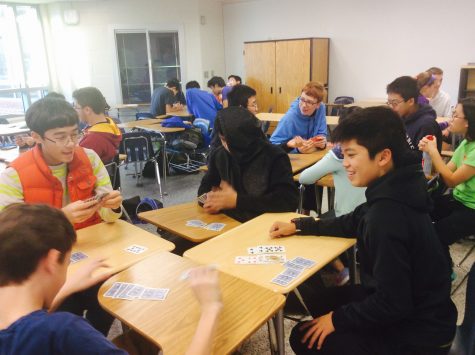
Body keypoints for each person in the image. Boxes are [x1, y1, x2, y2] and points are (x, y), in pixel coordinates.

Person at [269, 106, 457, 355]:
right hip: (423, 311)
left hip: (418, 335)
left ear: (383, 157)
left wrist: (336, 320)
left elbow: (393, 304)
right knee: (321, 302)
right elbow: (353, 221)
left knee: (303, 336)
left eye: (351, 154)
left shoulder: (388, 217)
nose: (345, 163)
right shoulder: (399, 186)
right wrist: (300, 225)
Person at [0, 204, 223, 355]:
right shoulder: (62, 331)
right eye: (66, 263)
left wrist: (66, 288)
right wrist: (210, 308)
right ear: (51, 260)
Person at [0, 97, 123, 230]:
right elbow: (10, 234)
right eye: (60, 137)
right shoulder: (14, 175)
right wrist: (60, 218)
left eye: (75, 134)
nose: (70, 143)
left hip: (90, 240)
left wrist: (114, 207)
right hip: (43, 248)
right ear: (36, 137)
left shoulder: (90, 158)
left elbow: (108, 217)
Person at [298, 107, 366, 286]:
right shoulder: (374, 149)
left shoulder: (338, 155)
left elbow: (306, 178)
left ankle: (341, 269)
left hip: (346, 216)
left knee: (308, 228)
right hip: (372, 215)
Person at [198, 107, 298, 222]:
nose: (226, 146)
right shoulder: (220, 155)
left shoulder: (274, 156)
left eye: (228, 141)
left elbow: (288, 201)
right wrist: (210, 201)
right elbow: (205, 187)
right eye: (222, 139)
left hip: (264, 225)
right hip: (228, 221)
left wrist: (236, 200)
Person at [419, 98, 475, 256]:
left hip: (471, 209)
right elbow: (445, 172)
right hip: (459, 200)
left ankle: (444, 271)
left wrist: (434, 152)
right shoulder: (466, 143)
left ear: (468, 122)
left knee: (435, 236)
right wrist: (428, 155)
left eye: (455, 115)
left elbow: (451, 181)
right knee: (421, 213)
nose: (451, 119)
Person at [387, 75, 442, 155]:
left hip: (416, 167)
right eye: (389, 103)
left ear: (411, 101)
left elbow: (424, 159)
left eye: (395, 103)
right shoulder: (399, 116)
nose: (391, 107)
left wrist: (394, 155)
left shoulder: (426, 125)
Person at [270, 81, 327, 154]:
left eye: (309, 102)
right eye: (302, 99)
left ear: (318, 105)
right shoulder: (290, 118)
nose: (304, 105)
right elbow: (273, 146)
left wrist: (322, 144)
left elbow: (321, 134)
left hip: (312, 155)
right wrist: (297, 150)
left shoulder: (321, 108)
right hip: (294, 159)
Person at [73, 87, 122, 164]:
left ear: (87, 110)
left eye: (76, 107)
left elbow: (77, 165)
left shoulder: (93, 140)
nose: (75, 111)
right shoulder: (109, 126)